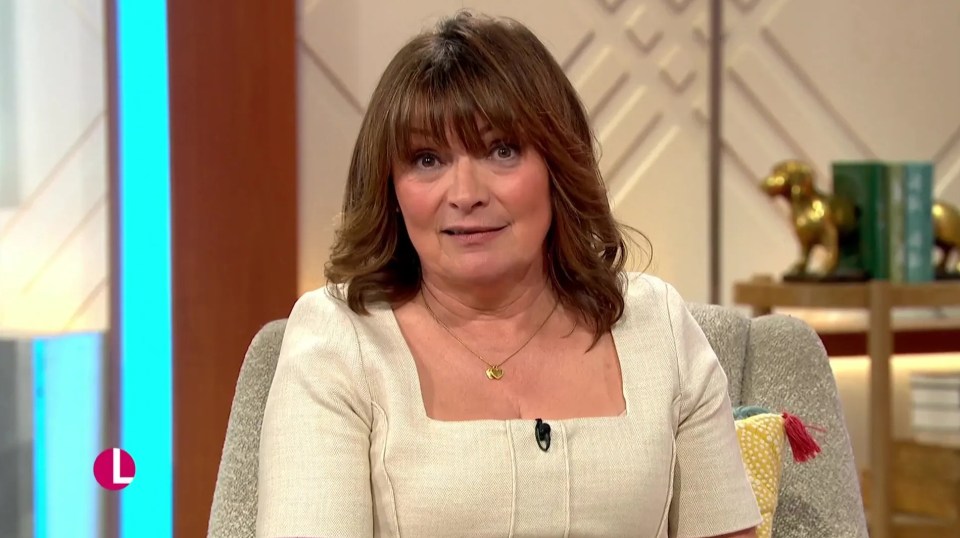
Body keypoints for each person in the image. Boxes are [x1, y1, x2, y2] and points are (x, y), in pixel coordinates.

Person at [257, 10, 761, 538]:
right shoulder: (339, 339)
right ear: (392, 189)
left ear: (557, 168)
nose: (466, 193)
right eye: (428, 159)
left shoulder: (655, 325)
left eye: (502, 150)